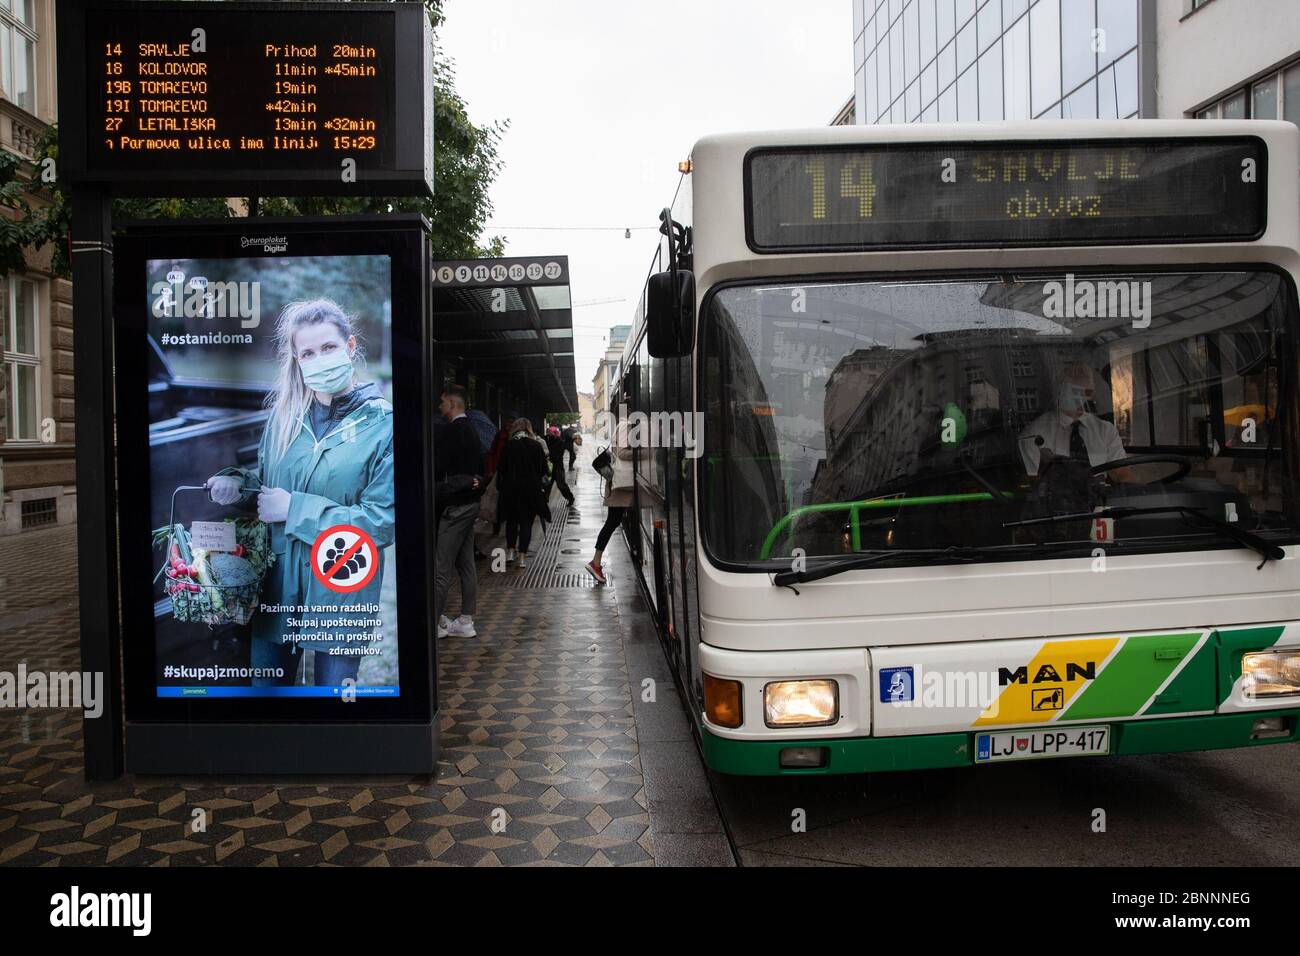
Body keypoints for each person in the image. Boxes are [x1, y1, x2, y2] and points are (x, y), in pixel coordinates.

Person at [206, 298, 395, 688]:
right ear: (297, 360)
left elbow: (382, 520)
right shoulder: (283, 419)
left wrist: (295, 510)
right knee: (268, 704)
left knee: (334, 713)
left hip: (341, 593)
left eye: (328, 347)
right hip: (277, 591)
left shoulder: (384, 425)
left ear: (351, 346)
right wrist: (236, 484)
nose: (319, 358)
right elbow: (267, 488)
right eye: (307, 353)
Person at [1018, 362, 1131, 481]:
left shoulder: (1105, 430)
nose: (1082, 400)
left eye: (1088, 393)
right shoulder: (1035, 434)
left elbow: (1122, 476)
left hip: (1098, 495)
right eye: (1075, 393)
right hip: (1057, 497)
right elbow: (1032, 482)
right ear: (1060, 392)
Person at [434, 384, 484, 638]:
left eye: (443, 403)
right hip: (470, 504)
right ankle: (465, 621)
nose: (440, 407)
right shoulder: (473, 431)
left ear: (453, 405)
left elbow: (439, 465)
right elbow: (480, 470)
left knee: (441, 566)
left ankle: (435, 622)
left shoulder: (451, 432)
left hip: (455, 507)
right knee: (466, 564)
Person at [585, 414, 633, 584]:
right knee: (612, 522)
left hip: (621, 484)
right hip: (621, 484)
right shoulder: (626, 426)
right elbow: (622, 453)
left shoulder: (624, 425)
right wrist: (644, 451)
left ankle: (596, 562)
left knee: (613, 521)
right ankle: (595, 562)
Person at [495, 417, 549, 568]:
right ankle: (522, 557)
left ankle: (510, 551)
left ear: (515, 429)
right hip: (530, 492)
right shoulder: (536, 446)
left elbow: (501, 468)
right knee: (526, 523)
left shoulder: (509, 446)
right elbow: (543, 470)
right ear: (529, 429)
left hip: (510, 491)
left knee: (511, 521)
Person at [544, 425, 576, 509]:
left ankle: (571, 498)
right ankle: (544, 500)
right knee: (548, 484)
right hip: (552, 466)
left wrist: (550, 456)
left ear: (555, 433)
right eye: (548, 432)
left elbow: (557, 455)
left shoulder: (560, 442)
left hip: (558, 467)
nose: (549, 434)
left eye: (550, 432)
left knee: (561, 485)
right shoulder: (548, 440)